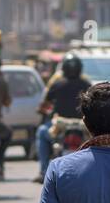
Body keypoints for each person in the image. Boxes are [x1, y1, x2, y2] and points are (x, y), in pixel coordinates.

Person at [34, 53, 91, 182]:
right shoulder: (86, 84)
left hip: (60, 125)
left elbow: (45, 104)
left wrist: (42, 110)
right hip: (83, 126)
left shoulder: (57, 84)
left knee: (42, 132)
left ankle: (43, 171)